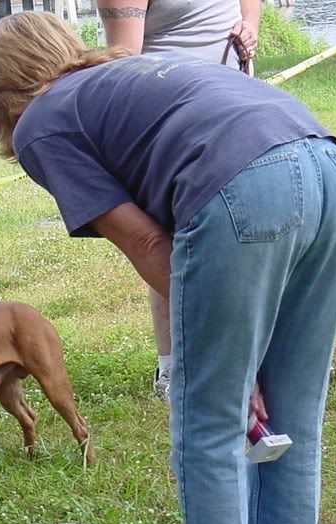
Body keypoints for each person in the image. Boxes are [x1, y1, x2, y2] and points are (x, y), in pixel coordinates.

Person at [0, 12, 336, 524]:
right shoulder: (128, 76)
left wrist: (225, 352)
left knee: (211, 427)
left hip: (244, 183)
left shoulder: (40, 123)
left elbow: (151, 247)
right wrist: (240, 349)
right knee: (294, 422)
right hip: (326, 166)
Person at [96, 0, 262, 398]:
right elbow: (123, 61)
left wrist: (250, 25)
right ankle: (172, 367)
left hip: (237, 100)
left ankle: (247, 356)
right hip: (172, 118)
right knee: (169, 237)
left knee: (245, 232)